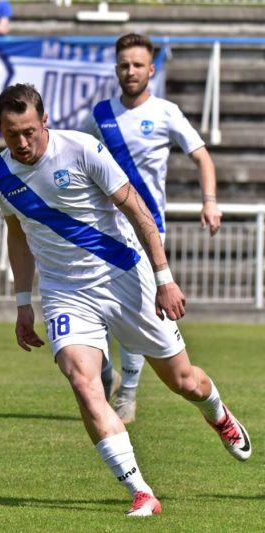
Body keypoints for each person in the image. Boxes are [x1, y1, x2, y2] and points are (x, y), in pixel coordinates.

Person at [0, 83, 250, 516]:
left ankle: (217, 411)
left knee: (183, 380)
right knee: (83, 382)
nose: (22, 142)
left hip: (125, 276)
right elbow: (17, 231)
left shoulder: (82, 149)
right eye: (12, 134)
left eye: (29, 131)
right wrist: (21, 302)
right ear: (0, 128)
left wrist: (164, 278)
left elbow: (137, 209)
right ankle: (140, 490)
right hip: (65, 292)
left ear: (44, 120)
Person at [83, 33, 223, 424]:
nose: (131, 71)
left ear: (151, 70)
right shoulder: (99, 115)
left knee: (139, 309)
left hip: (147, 229)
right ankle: (105, 369)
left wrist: (209, 201)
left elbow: (202, 157)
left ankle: (127, 393)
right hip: (104, 229)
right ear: (116, 69)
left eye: (138, 65)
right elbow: (74, 150)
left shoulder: (166, 112)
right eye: (124, 65)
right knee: (95, 302)